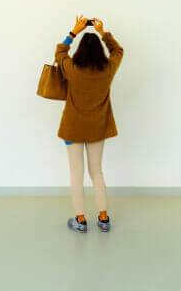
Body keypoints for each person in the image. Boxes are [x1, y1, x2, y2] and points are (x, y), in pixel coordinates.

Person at [54, 14, 124, 233]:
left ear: (80, 51)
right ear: (100, 51)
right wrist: (103, 33)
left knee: (77, 174)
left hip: (72, 129)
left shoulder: (71, 69)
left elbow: (60, 53)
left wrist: (74, 32)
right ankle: (103, 218)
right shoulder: (108, 69)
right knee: (97, 172)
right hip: (97, 129)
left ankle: (81, 220)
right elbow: (118, 51)